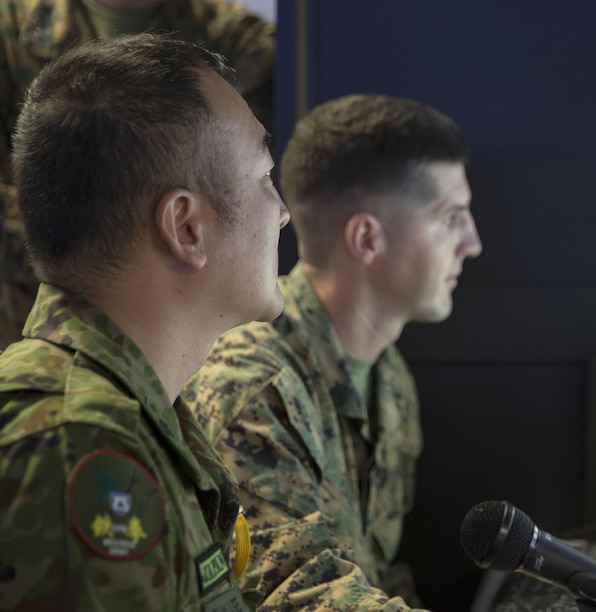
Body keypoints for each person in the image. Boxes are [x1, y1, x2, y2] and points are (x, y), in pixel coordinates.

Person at [0, 33, 289, 609]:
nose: (282, 212)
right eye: (264, 177)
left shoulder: (133, 413)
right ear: (186, 227)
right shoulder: (75, 444)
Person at [183, 93, 483, 609]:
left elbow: (378, 573)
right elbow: (301, 592)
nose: (471, 242)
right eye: (450, 217)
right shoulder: (253, 382)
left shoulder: (389, 379)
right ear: (367, 238)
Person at [0, 0, 275, 349]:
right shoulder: (10, 26)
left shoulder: (240, 39)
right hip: (27, 335)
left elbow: (244, 199)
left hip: (184, 354)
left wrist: (51, 201)